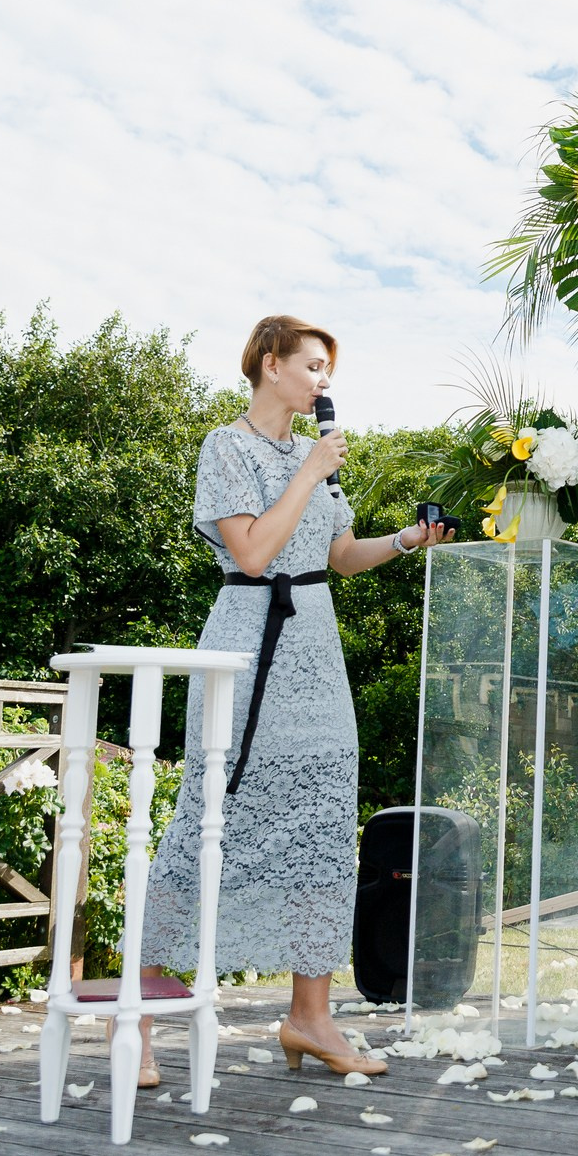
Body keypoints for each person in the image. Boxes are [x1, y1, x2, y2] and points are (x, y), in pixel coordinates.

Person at [135, 315, 450, 1086]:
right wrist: (308, 472)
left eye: (326, 370)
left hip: (316, 651)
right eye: (311, 367)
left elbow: (338, 556)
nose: (322, 382)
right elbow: (250, 550)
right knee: (203, 823)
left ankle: (310, 1016)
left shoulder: (315, 460)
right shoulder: (227, 447)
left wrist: (408, 541)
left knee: (319, 831)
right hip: (246, 647)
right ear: (270, 365)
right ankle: (137, 1021)